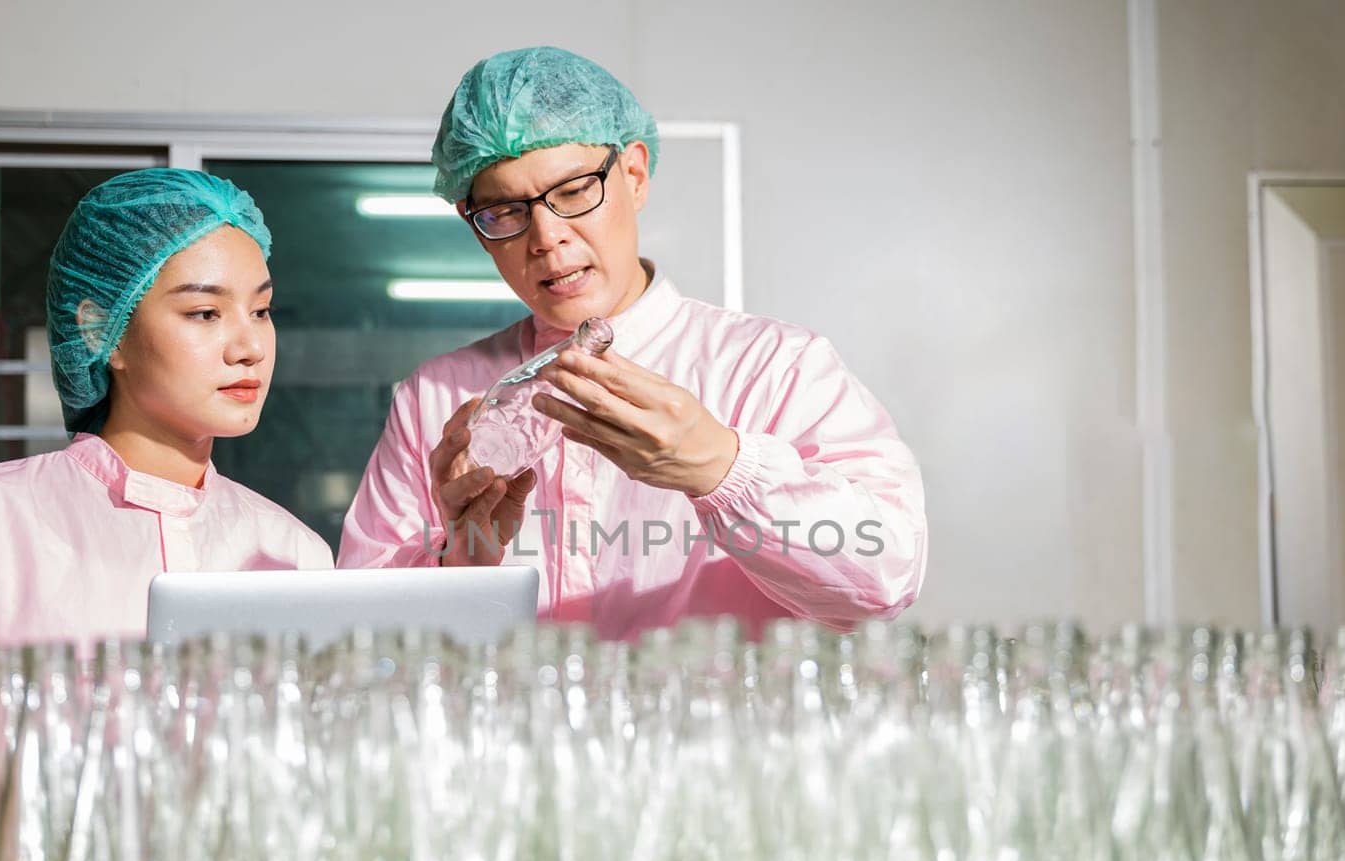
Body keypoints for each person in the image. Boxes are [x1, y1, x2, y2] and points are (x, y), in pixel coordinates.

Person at [340, 47, 927, 639]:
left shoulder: (775, 369)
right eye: (505, 212)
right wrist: (458, 567)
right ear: (476, 226)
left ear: (635, 175)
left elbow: (886, 579)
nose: (546, 238)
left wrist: (720, 468)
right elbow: (358, 631)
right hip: (518, 731)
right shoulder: (438, 400)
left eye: (572, 191)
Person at [0, 168, 333, 838]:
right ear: (102, 327)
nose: (250, 344)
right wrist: (67, 771)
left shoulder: (294, 552)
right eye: (205, 312)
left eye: (261, 309)